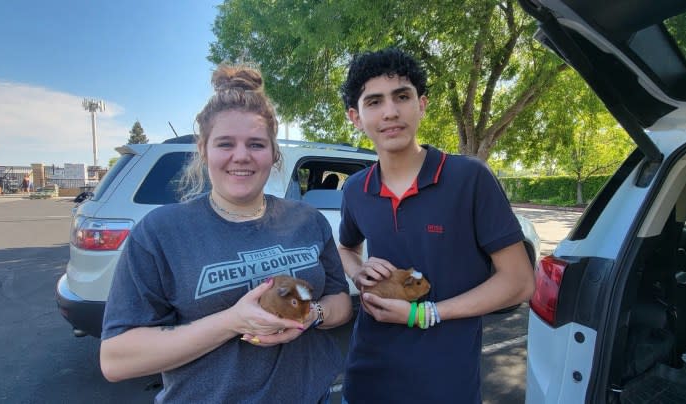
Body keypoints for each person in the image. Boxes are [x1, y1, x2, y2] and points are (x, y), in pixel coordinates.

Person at [99, 64, 352, 403]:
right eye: (225, 143)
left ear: (273, 153)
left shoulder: (307, 219)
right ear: (203, 150)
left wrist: (310, 315)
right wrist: (232, 321)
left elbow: (339, 303)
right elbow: (116, 359)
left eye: (256, 144)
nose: (242, 156)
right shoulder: (161, 232)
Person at [337, 48, 535, 403]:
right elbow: (346, 248)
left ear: (422, 104)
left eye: (402, 96)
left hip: (446, 385)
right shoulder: (355, 189)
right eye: (374, 102)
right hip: (367, 377)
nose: (390, 112)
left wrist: (423, 313)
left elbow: (519, 282)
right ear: (355, 117)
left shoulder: (469, 178)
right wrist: (357, 270)